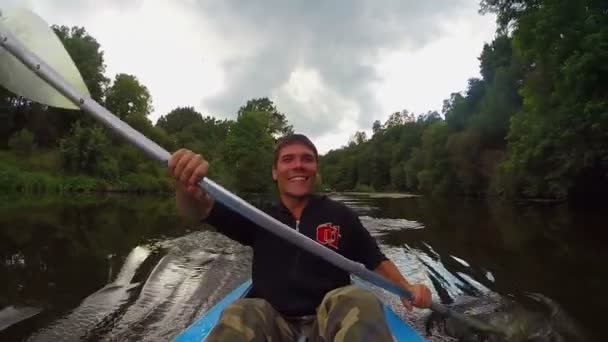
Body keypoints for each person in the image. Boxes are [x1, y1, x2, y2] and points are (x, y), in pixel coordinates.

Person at [168, 133, 432, 341]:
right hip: (273, 322)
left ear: (316, 169)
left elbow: (375, 259)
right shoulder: (257, 216)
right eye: (288, 159)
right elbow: (198, 209)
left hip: (328, 321)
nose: (298, 165)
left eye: (307, 159)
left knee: (360, 299)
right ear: (275, 172)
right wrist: (186, 185)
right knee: (241, 312)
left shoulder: (341, 215)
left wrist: (406, 288)